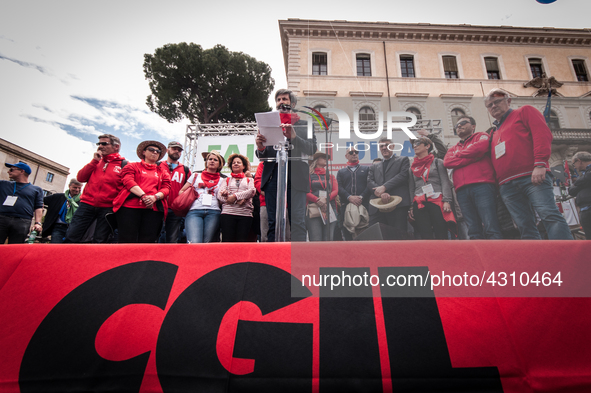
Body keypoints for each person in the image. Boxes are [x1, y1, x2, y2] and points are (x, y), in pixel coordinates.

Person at [485, 88, 572, 240]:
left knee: (549, 215)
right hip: (507, 185)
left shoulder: (525, 111)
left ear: (508, 101)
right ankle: (537, 258)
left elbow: (542, 135)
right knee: (523, 224)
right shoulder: (494, 132)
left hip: (531, 176)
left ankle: (567, 255)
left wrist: (539, 164)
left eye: (497, 101)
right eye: (489, 104)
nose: (493, 106)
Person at [255, 89, 317, 242]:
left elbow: (312, 149)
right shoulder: (269, 124)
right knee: (273, 223)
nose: (281, 102)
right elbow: (263, 156)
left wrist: (295, 137)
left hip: (296, 177)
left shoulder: (304, 124)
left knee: (298, 221)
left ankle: (299, 260)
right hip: (273, 177)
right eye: (278, 100)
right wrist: (260, 146)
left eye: (285, 99)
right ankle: (272, 261)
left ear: (293, 103)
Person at [443, 116, 503, 239]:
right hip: (461, 190)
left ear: (473, 126)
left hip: (483, 185)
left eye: (463, 123)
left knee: (490, 224)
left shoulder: (481, 136)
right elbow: (447, 162)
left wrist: (459, 155)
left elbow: (481, 147)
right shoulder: (453, 148)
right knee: (473, 229)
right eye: (456, 125)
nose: (458, 126)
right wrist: (473, 157)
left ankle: (497, 255)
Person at [65, 134, 126, 243]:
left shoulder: (124, 165)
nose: (100, 146)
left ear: (116, 147)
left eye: (104, 143)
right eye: (99, 144)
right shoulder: (96, 162)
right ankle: (64, 258)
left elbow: (126, 187)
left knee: (100, 240)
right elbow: (81, 178)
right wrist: (94, 161)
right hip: (86, 204)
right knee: (72, 235)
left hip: (107, 208)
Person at [113, 141, 171, 243]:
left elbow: (166, 188)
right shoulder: (132, 166)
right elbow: (128, 181)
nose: (155, 152)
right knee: (126, 240)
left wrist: (154, 198)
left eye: (158, 151)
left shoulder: (163, 172)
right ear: (144, 152)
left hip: (153, 210)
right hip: (129, 207)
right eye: (151, 150)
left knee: (148, 240)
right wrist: (144, 196)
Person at [408, 137, 455, 239]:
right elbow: (412, 187)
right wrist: (411, 206)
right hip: (419, 202)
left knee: (441, 231)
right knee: (424, 234)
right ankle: (428, 254)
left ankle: (442, 254)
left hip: (437, 200)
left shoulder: (437, 162)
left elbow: (445, 182)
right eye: (413, 145)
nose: (414, 146)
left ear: (427, 146)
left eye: (418, 143)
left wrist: (447, 200)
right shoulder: (412, 166)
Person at [367, 137, 411, 234]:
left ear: (393, 146)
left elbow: (402, 176)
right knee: (377, 236)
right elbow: (369, 181)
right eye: (381, 146)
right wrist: (380, 193)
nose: (384, 148)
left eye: (387, 145)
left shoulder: (403, 160)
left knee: (398, 236)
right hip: (378, 207)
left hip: (398, 207)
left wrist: (384, 187)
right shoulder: (374, 166)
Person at [180, 151, 225, 243]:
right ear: (206, 162)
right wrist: (190, 196)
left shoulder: (222, 180)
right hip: (194, 211)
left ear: (219, 164)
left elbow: (221, 201)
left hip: (214, 212)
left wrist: (224, 196)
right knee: (194, 242)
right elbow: (181, 191)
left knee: (207, 243)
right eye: (210, 159)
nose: (212, 161)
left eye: (215, 160)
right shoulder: (196, 175)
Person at [0, 162, 43, 244]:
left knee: (15, 248)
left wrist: (38, 223)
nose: (9, 171)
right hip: (2, 218)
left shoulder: (36, 189)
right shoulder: (3, 184)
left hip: (22, 221)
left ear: (22, 171)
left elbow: (38, 207)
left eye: (11, 169)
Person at [217, 154, 256, 242]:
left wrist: (234, 197)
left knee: (242, 243)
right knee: (227, 242)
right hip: (227, 214)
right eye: (233, 163)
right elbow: (219, 195)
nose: (236, 164)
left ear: (244, 166)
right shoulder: (226, 180)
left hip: (245, 215)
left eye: (238, 162)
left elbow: (252, 191)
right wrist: (231, 199)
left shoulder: (249, 180)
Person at [159, 141, 191, 243]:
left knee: (172, 240)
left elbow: (188, 189)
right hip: (157, 207)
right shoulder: (158, 165)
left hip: (175, 209)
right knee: (154, 237)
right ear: (168, 150)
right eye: (174, 149)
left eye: (179, 150)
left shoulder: (185, 170)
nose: (176, 151)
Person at [337, 146, 371, 240]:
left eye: (356, 152)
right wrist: (349, 197)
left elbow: (369, 185)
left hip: (363, 204)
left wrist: (361, 197)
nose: (354, 154)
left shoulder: (366, 169)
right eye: (351, 153)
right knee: (348, 232)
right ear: (346, 156)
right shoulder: (341, 172)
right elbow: (339, 188)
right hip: (346, 205)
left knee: (364, 231)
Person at [306, 152, 338, 241]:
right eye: (323, 157)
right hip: (314, 208)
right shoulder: (309, 176)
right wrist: (317, 200)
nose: (326, 159)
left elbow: (335, 191)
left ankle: (327, 255)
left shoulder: (331, 176)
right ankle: (316, 255)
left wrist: (326, 199)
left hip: (330, 208)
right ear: (316, 160)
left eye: (326, 158)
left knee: (328, 239)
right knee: (315, 239)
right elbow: (306, 192)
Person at [42, 179, 83, 243]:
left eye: (79, 188)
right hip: (58, 227)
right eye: (75, 187)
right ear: (69, 186)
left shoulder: (83, 201)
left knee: (69, 250)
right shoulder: (58, 197)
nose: (77, 190)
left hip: (73, 229)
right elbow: (40, 200)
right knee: (55, 248)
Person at [569, 151, 591, 239]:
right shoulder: (584, 175)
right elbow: (571, 191)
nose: (574, 167)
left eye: (574, 164)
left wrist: (578, 182)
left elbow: (588, 177)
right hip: (584, 210)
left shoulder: (586, 174)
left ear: (579, 161)